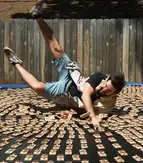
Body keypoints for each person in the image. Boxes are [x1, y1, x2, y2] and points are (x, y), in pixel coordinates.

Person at [4, 0, 125, 128]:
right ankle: (37, 16)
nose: (106, 89)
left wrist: (73, 113)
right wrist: (93, 117)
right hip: (71, 77)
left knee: (37, 87)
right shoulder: (100, 77)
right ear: (106, 80)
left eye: (109, 90)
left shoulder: (108, 103)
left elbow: (89, 110)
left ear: (114, 93)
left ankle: (15, 63)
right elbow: (85, 95)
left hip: (65, 92)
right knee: (57, 48)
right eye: (107, 86)